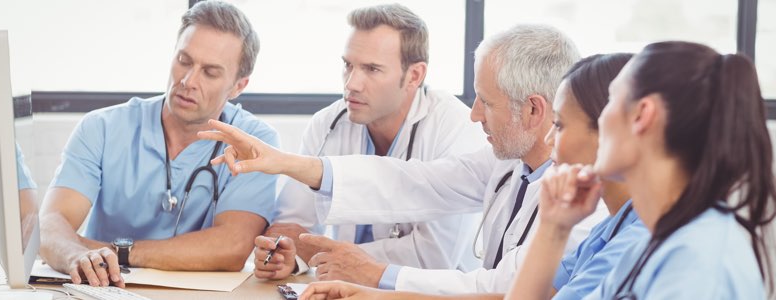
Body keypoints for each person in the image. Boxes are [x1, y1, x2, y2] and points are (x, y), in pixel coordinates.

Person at [200, 24, 606, 293]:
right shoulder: (506, 164)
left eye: (486, 102)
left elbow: (502, 288)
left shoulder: (583, 199)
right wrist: (283, 161)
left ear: (533, 111)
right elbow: (415, 182)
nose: (475, 114)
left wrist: (375, 275)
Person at [294, 53, 651, 300]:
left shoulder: (636, 238)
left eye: (560, 124)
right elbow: (420, 183)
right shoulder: (609, 230)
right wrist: (372, 294)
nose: (550, 138)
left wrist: (377, 279)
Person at [38, 0, 279, 288]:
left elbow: (233, 246)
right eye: (184, 61)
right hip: (105, 290)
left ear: (239, 86)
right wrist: (76, 254)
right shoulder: (102, 128)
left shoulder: (255, 142)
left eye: (210, 72)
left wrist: (116, 252)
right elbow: (50, 223)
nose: (188, 80)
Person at [513, 41, 775, 299]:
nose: (601, 118)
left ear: (642, 115)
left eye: (611, 100)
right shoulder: (650, 246)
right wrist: (554, 226)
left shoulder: (696, 263)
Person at [254, 3, 485, 282]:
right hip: (340, 286)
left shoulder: (455, 128)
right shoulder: (328, 123)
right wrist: (285, 253)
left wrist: (321, 254)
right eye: (347, 65)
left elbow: (433, 256)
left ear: (414, 75)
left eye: (372, 69)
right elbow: (293, 223)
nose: (352, 84)